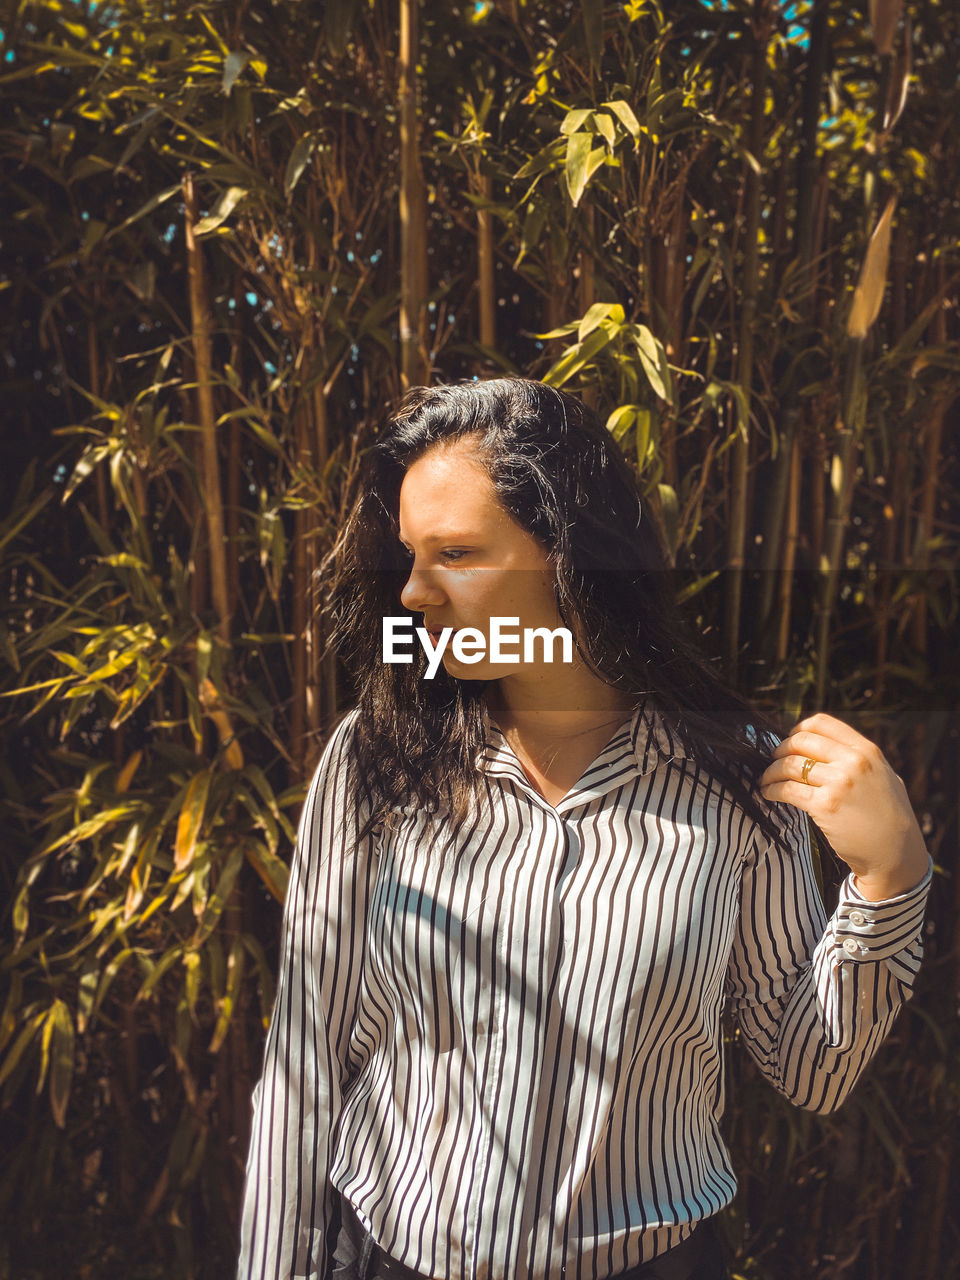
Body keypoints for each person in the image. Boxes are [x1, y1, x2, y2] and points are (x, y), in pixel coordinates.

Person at [236, 378, 932, 1280]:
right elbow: (304, 1063)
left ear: (572, 558)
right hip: (395, 1259)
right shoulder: (378, 761)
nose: (411, 593)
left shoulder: (736, 781)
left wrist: (891, 876)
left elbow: (809, 1067)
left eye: (455, 553)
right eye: (409, 554)